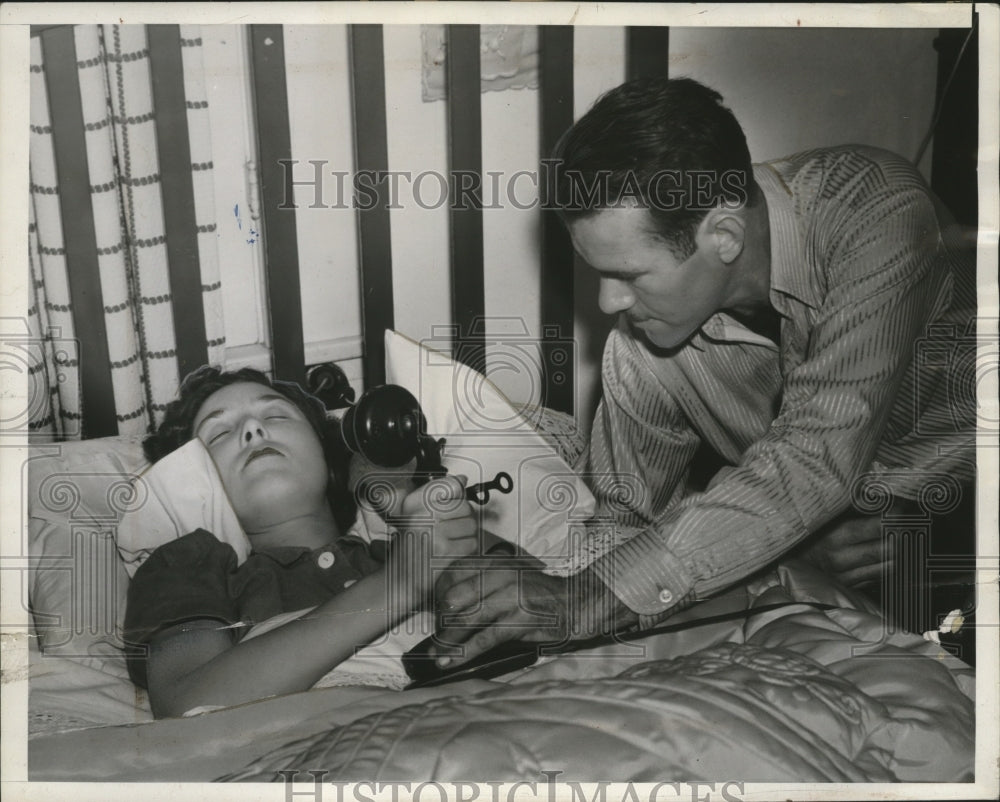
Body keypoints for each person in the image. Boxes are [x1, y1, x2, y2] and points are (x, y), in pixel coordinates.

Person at [430, 76, 976, 667]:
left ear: (724, 235)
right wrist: (543, 575)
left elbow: (816, 455)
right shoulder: (641, 346)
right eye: (598, 273)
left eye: (630, 275)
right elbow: (623, 521)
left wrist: (584, 598)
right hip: (858, 564)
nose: (608, 303)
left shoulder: (876, 210)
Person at [124, 366, 478, 718]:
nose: (253, 429)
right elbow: (186, 708)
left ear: (331, 457)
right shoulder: (189, 564)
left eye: (276, 415)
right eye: (219, 434)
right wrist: (399, 585)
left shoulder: (401, 548)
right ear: (192, 484)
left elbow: (519, 607)